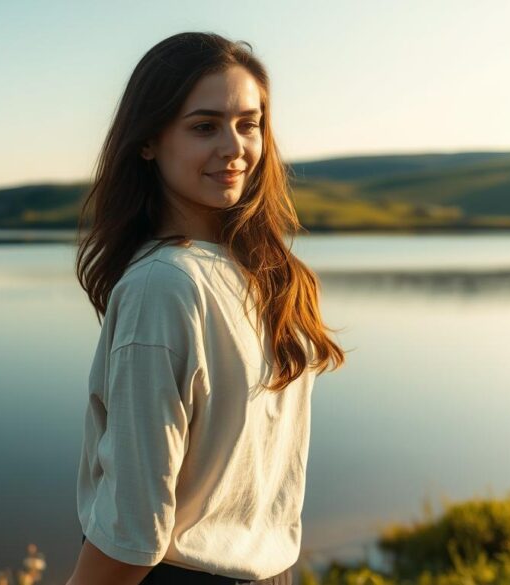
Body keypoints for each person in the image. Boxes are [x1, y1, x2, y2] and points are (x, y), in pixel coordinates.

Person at [69, 32, 346, 585]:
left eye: (249, 123)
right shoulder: (269, 273)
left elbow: (132, 531)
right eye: (204, 126)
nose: (234, 147)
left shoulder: (169, 284)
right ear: (148, 140)